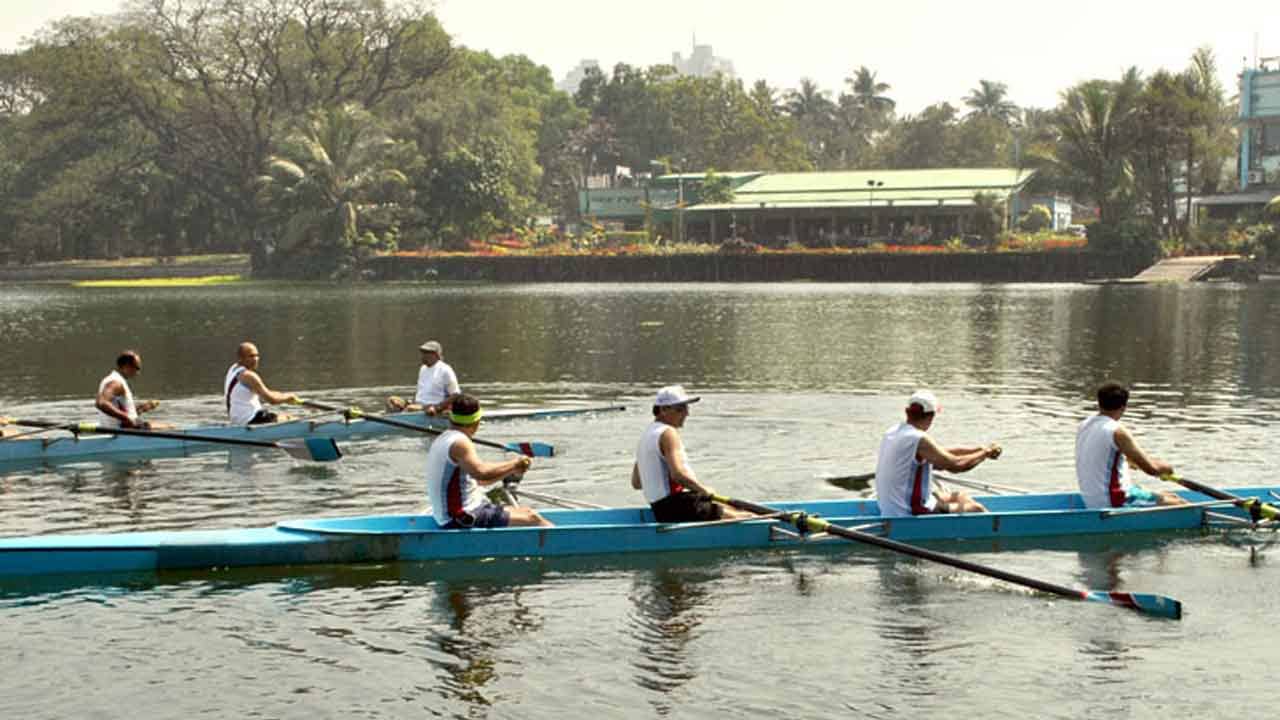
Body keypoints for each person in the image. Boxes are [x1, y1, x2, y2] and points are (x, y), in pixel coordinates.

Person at [424, 394, 551, 529]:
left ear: (451, 418)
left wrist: (512, 469)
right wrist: (515, 463)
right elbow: (482, 473)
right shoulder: (460, 443)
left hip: (463, 512)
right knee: (533, 519)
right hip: (461, 517)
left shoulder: (443, 439)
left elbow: (481, 481)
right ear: (477, 421)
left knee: (527, 512)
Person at [631, 385, 751, 523]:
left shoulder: (646, 436)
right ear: (663, 410)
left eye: (686, 408)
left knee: (732, 508)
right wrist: (703, 489)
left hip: (661, 510)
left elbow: (637, 483)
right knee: (746, 517)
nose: (687, 413)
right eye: (680, 409)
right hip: (680, 507)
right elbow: (678, 475)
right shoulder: (668, 433)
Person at [873, 390, 1000, 517]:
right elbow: (957, 465)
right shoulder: (918, 438)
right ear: (931, 416)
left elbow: (941, 454)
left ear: (908, 412)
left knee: (960, 496)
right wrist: (984, 454)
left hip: (890, 506)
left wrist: (979, 449)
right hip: (908, 512)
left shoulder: (893, 431)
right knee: (976, 509)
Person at [1075, 382, 1188, 509]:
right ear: (1124, 407)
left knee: (1170, 496)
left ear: (1099, 403)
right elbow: (1151, 470)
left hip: (1091, 499)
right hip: (1113, 501)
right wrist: (1167, 468)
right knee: (1182, 505)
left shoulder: (1084, 425)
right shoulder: (1117, 431)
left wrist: (1131, 461)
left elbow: (1107, 455)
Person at [223, 342, 298, 425]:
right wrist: (288, 397)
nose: (255, 359)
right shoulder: (248, 376)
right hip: (252, 419)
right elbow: (271, 400)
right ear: (241, 358)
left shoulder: (233, 368)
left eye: (256, 355)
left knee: (280, 416)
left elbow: (266, 392)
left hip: (237, 420)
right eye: (251, 356)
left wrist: (282, 395)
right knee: (289, 418)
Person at [386, 340, 460, 416]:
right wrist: (411, 401)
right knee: (392, 400)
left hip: (432, 407)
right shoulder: (423, 369)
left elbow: (456, 394)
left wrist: (437, 407)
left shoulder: (445, 370)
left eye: (427, 353)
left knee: (411, 408)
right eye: (423, 352)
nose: (423, 355)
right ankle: (391, 420)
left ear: (436, 355)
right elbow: (420, 391)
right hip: (418, 405)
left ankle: (396, 421)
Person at [95, 350, 160, 429]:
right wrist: (126, 418)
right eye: (137, 368)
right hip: (125, 431)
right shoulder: (116, 383)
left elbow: (125, 412)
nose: (138, 372)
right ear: (127, 366)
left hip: (115, 430)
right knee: (170, 427)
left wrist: (142, 408)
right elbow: (101, 403)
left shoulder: (110, 379)